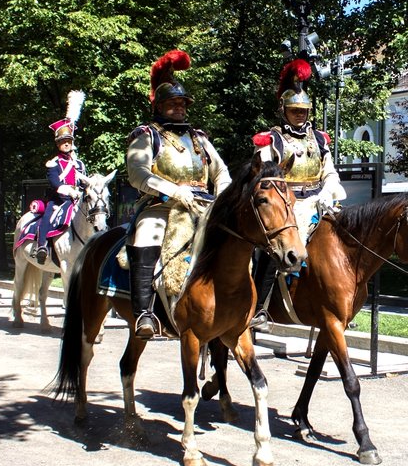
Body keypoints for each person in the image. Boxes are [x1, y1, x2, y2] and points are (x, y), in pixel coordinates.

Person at [125, 49, 231, 340]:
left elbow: (221, 173)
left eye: (182, 103)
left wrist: (222, 200)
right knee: (146, 235)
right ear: (159, 106)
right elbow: (138, 174)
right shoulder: (146, 135)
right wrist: (174, 190)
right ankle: (144, 313)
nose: (180, 108)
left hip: (204, 207)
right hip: (160, 207)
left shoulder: (199, 139)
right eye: (173, 103)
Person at [249, 57, 346, 329]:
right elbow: (264, 177)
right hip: (286, 202)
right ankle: (260, 309)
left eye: (303, 111)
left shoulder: (319, 139)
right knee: (275, 249)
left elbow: (330, 171)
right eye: (294, 111)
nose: (300, 115)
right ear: (284, 110)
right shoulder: (272, 140)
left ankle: (340, 300)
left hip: (318, 199)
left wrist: (328, 190)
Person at [34, 90, 88, 265]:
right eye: (63, 141)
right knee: (48, 217)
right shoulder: (53, 163)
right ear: (57, 144)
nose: (66, 144)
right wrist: (70, 192)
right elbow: (56, 183)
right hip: (59, 200)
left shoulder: (78, 163)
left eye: (69, 141)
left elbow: (83, 180)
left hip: (76, 200)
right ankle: (41, 246)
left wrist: (84, 188)